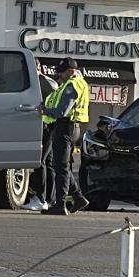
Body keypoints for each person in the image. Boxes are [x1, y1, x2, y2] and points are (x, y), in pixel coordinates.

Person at [40, 57, 91, 216]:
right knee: (63, 166)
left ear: (71, 71)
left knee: (60, 168)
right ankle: (78, 198)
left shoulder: (72, 85)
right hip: (72, 127)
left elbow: (62, 111)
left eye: (61, 72)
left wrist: (45, 111)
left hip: (65, 127)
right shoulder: (76, 83)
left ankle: (60, 204)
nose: (59, 75)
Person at [23, 59, 58, 212]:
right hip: (46, 125)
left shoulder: (46, 83)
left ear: (39, 68)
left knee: (41, 161)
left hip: (49, 126)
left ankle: (41, 198)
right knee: (48, 163)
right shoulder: (37, 82)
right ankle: (49, 199)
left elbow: (54, 105)